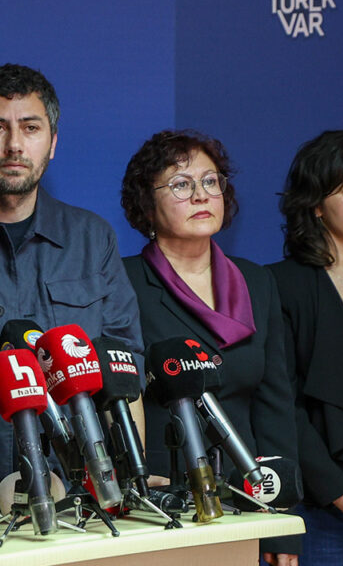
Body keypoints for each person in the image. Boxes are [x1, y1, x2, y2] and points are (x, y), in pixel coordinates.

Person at [0, 63, 143, 491]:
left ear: (52, 142)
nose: (14, 145)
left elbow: (124, 367)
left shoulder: (92, 238)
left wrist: (128, 487)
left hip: (77, 496)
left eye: (30, 128)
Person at [120, 130, 299, 564]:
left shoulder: (257, 281)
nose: (201, 194)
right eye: (181, 184)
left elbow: (275, 405)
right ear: (147, 204)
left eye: (210, 181)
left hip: (247, 495)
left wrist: (282, 522)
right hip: (161, 500)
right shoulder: (123, 283)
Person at [269, 130, 343, 566]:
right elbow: (280, 404)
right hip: (322, 479)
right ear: (317, 205)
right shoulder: (282, 284)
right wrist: (338, 491)